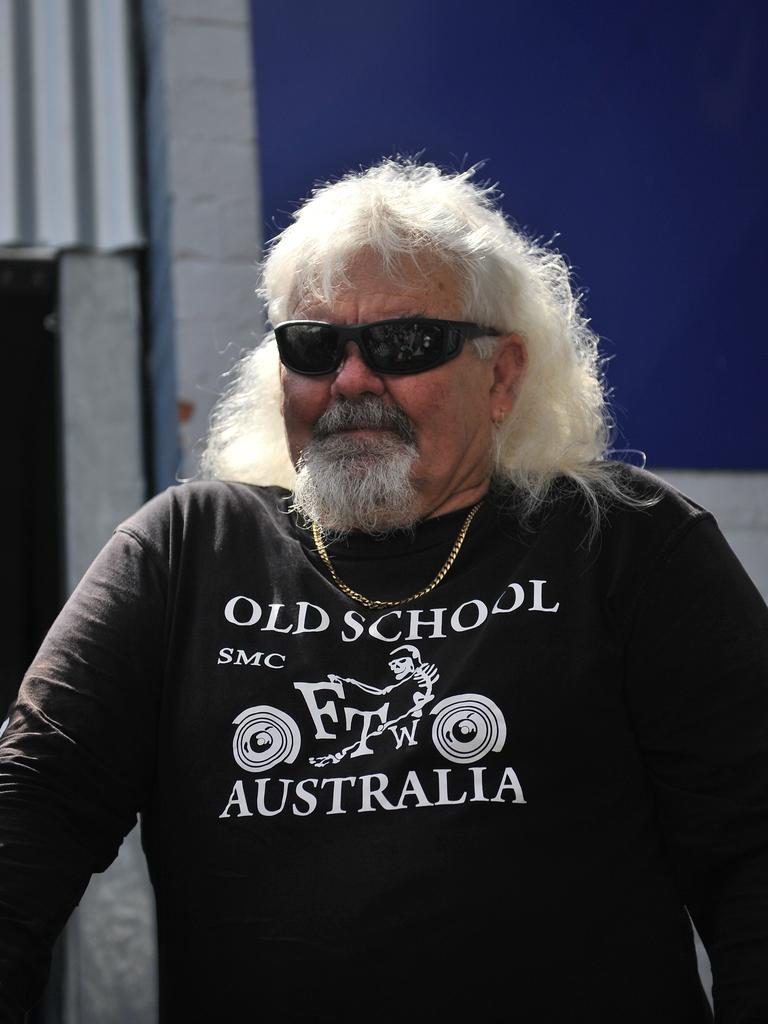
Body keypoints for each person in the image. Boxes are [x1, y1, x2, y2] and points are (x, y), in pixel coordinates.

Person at [1, 158, 767, 1023]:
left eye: (405, 342)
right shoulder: (183, 551)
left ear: (502, 376)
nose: (353, 381)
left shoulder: (627, 543)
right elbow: (31, 807)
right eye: (314, 345)